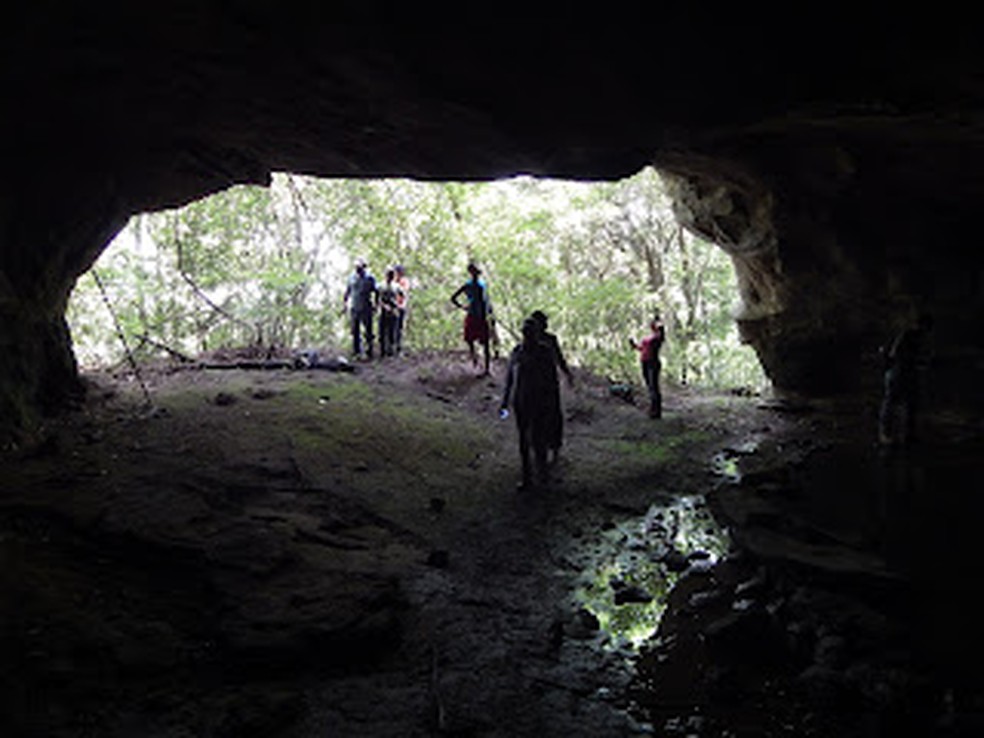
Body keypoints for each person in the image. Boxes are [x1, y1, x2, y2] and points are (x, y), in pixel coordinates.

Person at [500, 317, 557, 490]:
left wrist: (551, 402)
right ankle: (528, 477)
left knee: (538, 439)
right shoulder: (518, 351)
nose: (528, 336)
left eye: (530, 333)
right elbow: (510, 377)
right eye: (526, 333)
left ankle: (542, 475)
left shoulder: (544, 352)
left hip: (539, 400)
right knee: (524, 439)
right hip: (521, 399)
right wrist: (505, 400)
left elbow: (552, 379)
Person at [878, 313, 933, 446]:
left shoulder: (919, 337)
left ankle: (909, 435)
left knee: (911, 404)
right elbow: (895, 354)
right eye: (927, 326)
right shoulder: (908, 335)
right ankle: (886, 434)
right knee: (891, 403)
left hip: (908, 373)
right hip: (899, 372)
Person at [530, 310, 574, 464]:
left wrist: (567, 374)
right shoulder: (531, 342)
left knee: (553, 417)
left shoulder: (549, 340)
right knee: (539, 418)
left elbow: (559, 359)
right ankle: (541, 451)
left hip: (548, 384)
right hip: (539, 385)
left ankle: (554, 450)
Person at [450, 262, 493, 376]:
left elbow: (487, 300)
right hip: (474, 315)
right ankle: (475, 361)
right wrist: (463, 307)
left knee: (485, 342)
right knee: (470, 340)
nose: (475, 274)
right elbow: (453, 298)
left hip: (481, 316)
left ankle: (486, 368)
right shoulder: (469, 285)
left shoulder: (482, 285)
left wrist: (490, 313)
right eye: (474, 271)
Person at [629, 312, 666, 418]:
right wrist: (634, 345)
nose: (652, 325)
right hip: (644, 362)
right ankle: (653, 409)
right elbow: (642, 348)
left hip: (653, 363)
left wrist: (658, 319)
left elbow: (661, 331)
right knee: (650, 386)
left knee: (654, 386)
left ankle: (656, 411)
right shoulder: (650, 337)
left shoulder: (658, 337)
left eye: (654, 324)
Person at [343, 258, 377, 359]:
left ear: (364, 267)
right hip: (354, 307)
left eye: (360, 267)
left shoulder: (370, 278)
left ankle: (369, 351)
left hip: (366, 307)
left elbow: (376, 291)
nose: (358, 269)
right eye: (356, 267)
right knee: (355, 330)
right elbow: (347, 291)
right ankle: (356, 351)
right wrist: (344, 304)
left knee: (368, 331)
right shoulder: (351, 278)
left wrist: (376, 304)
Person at [377, 267, 404, 358]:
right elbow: (377, 299)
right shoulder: (380, 285)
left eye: (391, 275)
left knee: (392, 331)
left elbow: (403, 295)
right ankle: (382, 351)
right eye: (388, 274)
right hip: (383, 311)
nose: (390, 276)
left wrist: (400, 305)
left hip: (393, 310)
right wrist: (383, 306)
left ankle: (391, 351)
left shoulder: (396, 286)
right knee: (382, 331)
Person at [393, 264, 410, 355]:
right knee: (391, 327)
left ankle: (398, 347)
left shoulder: (404, 281)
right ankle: (391, 346)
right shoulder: (392, 280)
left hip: (401, 307)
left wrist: (401, 305)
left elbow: (404, 292)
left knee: (399, 327)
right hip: (392, 307)